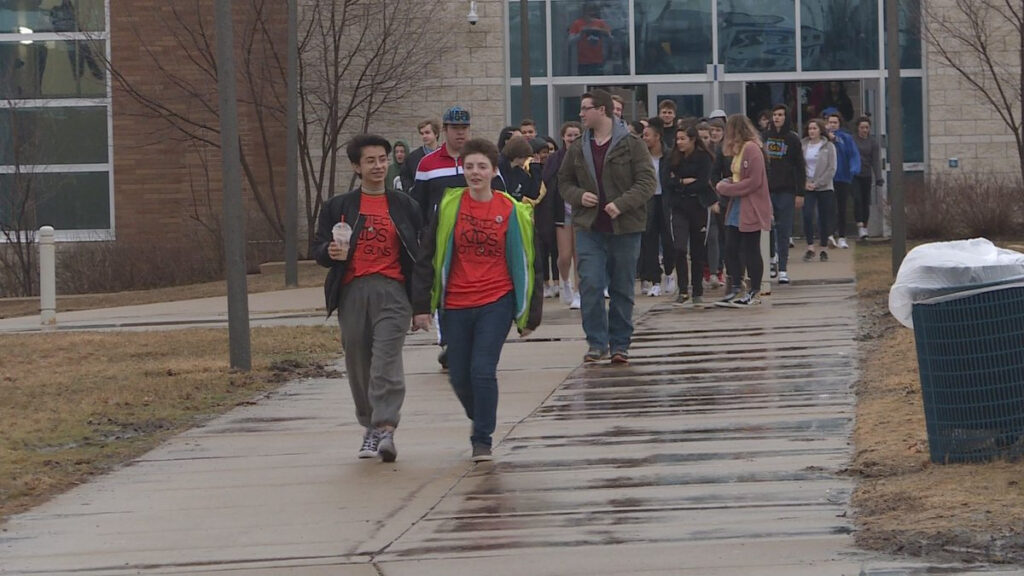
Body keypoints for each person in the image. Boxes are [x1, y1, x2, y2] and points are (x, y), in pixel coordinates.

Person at [411, 138, 542, 462]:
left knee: (482, 370)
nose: (475, 172)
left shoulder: (512, 209)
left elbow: (530, 263)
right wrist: (421, 307)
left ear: (494, 171)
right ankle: (480, 413)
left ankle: (482, 437)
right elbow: (427, 257)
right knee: (459, 375)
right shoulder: (449, 206)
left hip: (495, 301)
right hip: (455, 302)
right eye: (469, 166)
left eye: (482, 166)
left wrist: (530, 317)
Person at [312, 134, 423, 463]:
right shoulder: (338, 207)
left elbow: (420, 257)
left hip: (393, 291)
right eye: (371, 161)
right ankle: (370, 426)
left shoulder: (405, 205)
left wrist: (421, 307)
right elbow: (318, 249)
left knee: (386, 361)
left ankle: (386, 426)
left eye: (382, 159)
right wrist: (329, 252)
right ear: (356, 167)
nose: (378, 166)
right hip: (352, 292)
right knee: (359, 363)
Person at [557, 89, 656, 364]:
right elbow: (563, 182)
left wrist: (622, 204)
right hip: (589, 228)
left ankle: (620, 344)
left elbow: (648, 182)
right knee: (590, 283)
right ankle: (596, 343)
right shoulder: (578, 147)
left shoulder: (632, 144)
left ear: (602, 110)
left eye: (585, 108)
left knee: (622, 287)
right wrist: (579, 196)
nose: (580, 114)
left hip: (625, 227)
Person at [411, 106, 472, 369]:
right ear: (444, 130)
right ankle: (449, 342)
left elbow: (501, 196)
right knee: (445, 290)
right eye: (455, 128)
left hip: (474, 240)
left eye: (464, 128)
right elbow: (418, 205)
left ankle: (466, 341)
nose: (460, 133)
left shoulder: (480, 160)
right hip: (439, 240)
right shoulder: (428, 164)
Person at [714, 114, 772, 308]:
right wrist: (727, 183)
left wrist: (726, 188)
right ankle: (736, 284)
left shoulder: (753, 149)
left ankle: (754, 289)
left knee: (751, 248)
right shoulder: (738, 151)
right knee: (730, 246)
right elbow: (738, 176)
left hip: (751, 205)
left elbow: (754, 182)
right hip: (737, 204)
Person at [665, 122, 715, 306]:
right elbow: (667, 181)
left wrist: (683, 184)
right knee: (679, 247)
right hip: (678, 207)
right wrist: (681, 182)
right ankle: (683, 289)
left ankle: (697, 290)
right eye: (677, 139)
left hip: (699, 205)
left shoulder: (704, 158)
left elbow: (702, 182)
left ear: (693, 139)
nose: (679, 143)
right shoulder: (672, 157)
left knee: (698, 250)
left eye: (683, 139)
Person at [763, 104, 806, 285]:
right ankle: (771, 258)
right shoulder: (764, 137)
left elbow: (800, 167)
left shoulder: (793, 139)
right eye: (774, 115)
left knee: (784, 229)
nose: (777, 118)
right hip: (767, 190)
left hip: (787, 190)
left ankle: (783, 269)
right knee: (768, 228)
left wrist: (800, 192)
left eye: (780, 115)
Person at [542, 121, 583, 309]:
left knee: (580, 255)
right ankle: (565, 281)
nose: (573, 138)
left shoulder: (586, 156)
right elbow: (547, 183)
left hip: (582, 212)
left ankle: (578, 292)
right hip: (562, 211)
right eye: (569, 135)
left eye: (576, 135)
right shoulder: (555, 159)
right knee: (565, 255)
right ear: (563, 137)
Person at [638, 118, 675, 297]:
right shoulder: (641, 157)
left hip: (666, 201)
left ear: (657, 137)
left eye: (647, 135)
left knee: (669, 239)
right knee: (649, 240)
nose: (644, 138)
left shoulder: (669, 155)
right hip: (648, 200)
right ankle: (655, 279)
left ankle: (669, 272)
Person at [801, 118, 837, 263]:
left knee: (824, 217)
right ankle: (810, 246)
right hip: (807, 186)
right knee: (807, 215)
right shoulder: (802, 145)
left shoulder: (828, 146)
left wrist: (818, 183)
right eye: (810, 129)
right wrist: (805, 182)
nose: (812, 131)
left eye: (815, 128)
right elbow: (798, 165)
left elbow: (832, 168)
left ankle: (823, 247)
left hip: (824, 187)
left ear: (820, 130)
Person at [824, 109, 861, 249]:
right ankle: (829, 234)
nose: (832, 125)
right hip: (828, 178)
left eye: (835, 122)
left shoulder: (846, 138)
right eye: (830, 122)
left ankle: (842, 236)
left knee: (842, 208)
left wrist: (854, 168)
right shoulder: (824, 138)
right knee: (829, 208)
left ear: (839, 124)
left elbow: (853, 154)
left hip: (843, 178)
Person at [853, 116, 884, 240]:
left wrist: (878, 177)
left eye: (866, 127)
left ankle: (865, 227)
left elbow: (875, 161)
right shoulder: (853, 140)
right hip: (854, 175)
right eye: (862, 127)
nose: (864, 130)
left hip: (866, 175)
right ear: (858, 128)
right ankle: (859, 225)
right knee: (857, 199)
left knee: (866, 201)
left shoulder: (873, 142)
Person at [568, 3, 612, 75]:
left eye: (592, 11)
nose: (590, 13)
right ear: (583, 12)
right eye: (588, 11)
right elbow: (570, 41)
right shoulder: (577, 23)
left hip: (598, 60)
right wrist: (581, 35)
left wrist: (600, 31)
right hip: (583, 61)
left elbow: (610, 38)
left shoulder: (600, 23)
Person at [401, 119, 441, 194]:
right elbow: (405, 177)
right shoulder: (413, 157)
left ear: (436, 134)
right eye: (422, 133)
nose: (424, 136)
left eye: (427, 133)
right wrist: (411, 191)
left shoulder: (444, 155)